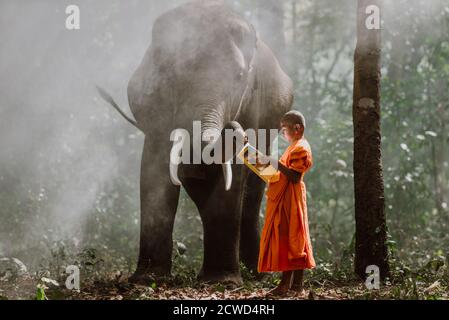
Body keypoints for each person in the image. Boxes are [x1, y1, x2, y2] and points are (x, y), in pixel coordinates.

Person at [258, 110, 315, 297]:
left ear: (298, 128)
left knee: (291, 238)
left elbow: (295, 177)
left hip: (292, 197)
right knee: (294, 237)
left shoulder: (301, 147)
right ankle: (296, 285)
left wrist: (275, 163)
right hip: (287, 196)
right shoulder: (293, 146)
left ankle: (286, 285)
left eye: (285, 129)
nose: (283, 133)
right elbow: (283, 175)